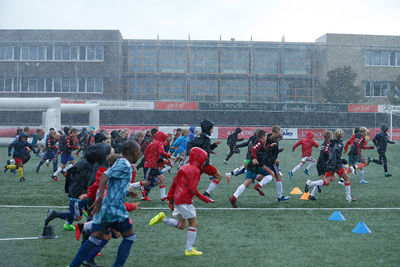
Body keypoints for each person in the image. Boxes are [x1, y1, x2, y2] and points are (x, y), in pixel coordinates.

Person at [68, 140, 142, 267]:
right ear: (134, 152)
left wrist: (128, 193)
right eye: (139, 152)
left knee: (94, 238)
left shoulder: (120, 161)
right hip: (114, 209)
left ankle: (73, 265)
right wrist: (100, 198)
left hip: (106, 208)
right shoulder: (124, 164)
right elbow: (105, 176)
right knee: (129, 237)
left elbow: (112, 182)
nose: (140, 154)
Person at [148, 147, 215, 256]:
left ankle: (163, 219)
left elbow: (174, 182)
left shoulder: (184, 167)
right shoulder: (195, 170)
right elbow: (193, 189)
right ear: (200, 159)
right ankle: (189, 250)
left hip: (178, 199)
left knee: (182, 225)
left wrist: (170, 197)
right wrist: (205, 198)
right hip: (185, 201)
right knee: (193, 223)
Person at [305, 129, 358, 202]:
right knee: (346, 179)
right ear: (342, 136)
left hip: (329, 164)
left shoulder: (331, 142)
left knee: (327, 181)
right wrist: (341, 161)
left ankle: (311, 185)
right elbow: (333, 154)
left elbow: (331, 152)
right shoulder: (338, 144)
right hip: (334, 165)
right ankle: (348, 197)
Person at [186, 119, 223, 198]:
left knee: (192, 182)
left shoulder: (204, 137)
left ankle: (182, 194)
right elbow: (190, 144)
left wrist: (215, 144)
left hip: (200, 164)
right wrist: (189, 154)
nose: (212, 131)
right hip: (203, 164)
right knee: (219, 176)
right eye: (211, 128)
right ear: (207, 128)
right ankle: (207, 193)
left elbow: (207, 149)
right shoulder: (202, 137)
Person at [142, 131, 174, 201]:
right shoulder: (159, 143)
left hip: (153, 164)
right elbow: (161, 152)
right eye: (164, 138)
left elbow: (146, 152)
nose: (165, 140)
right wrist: (170, 156)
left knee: (161, 178)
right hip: (150, 165)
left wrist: (149, 158)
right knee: (148, 182)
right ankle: (130, 186)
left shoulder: (153, 142)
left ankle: (162, 196)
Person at [304, 130, 333, 198]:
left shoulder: (324, 143)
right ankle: (310, 183)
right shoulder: (328, 143)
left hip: (320, 162)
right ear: (330, 137)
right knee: (330, 179)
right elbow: (326, 152)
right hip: (324, 163)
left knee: (321, 181)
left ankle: (312, 195)